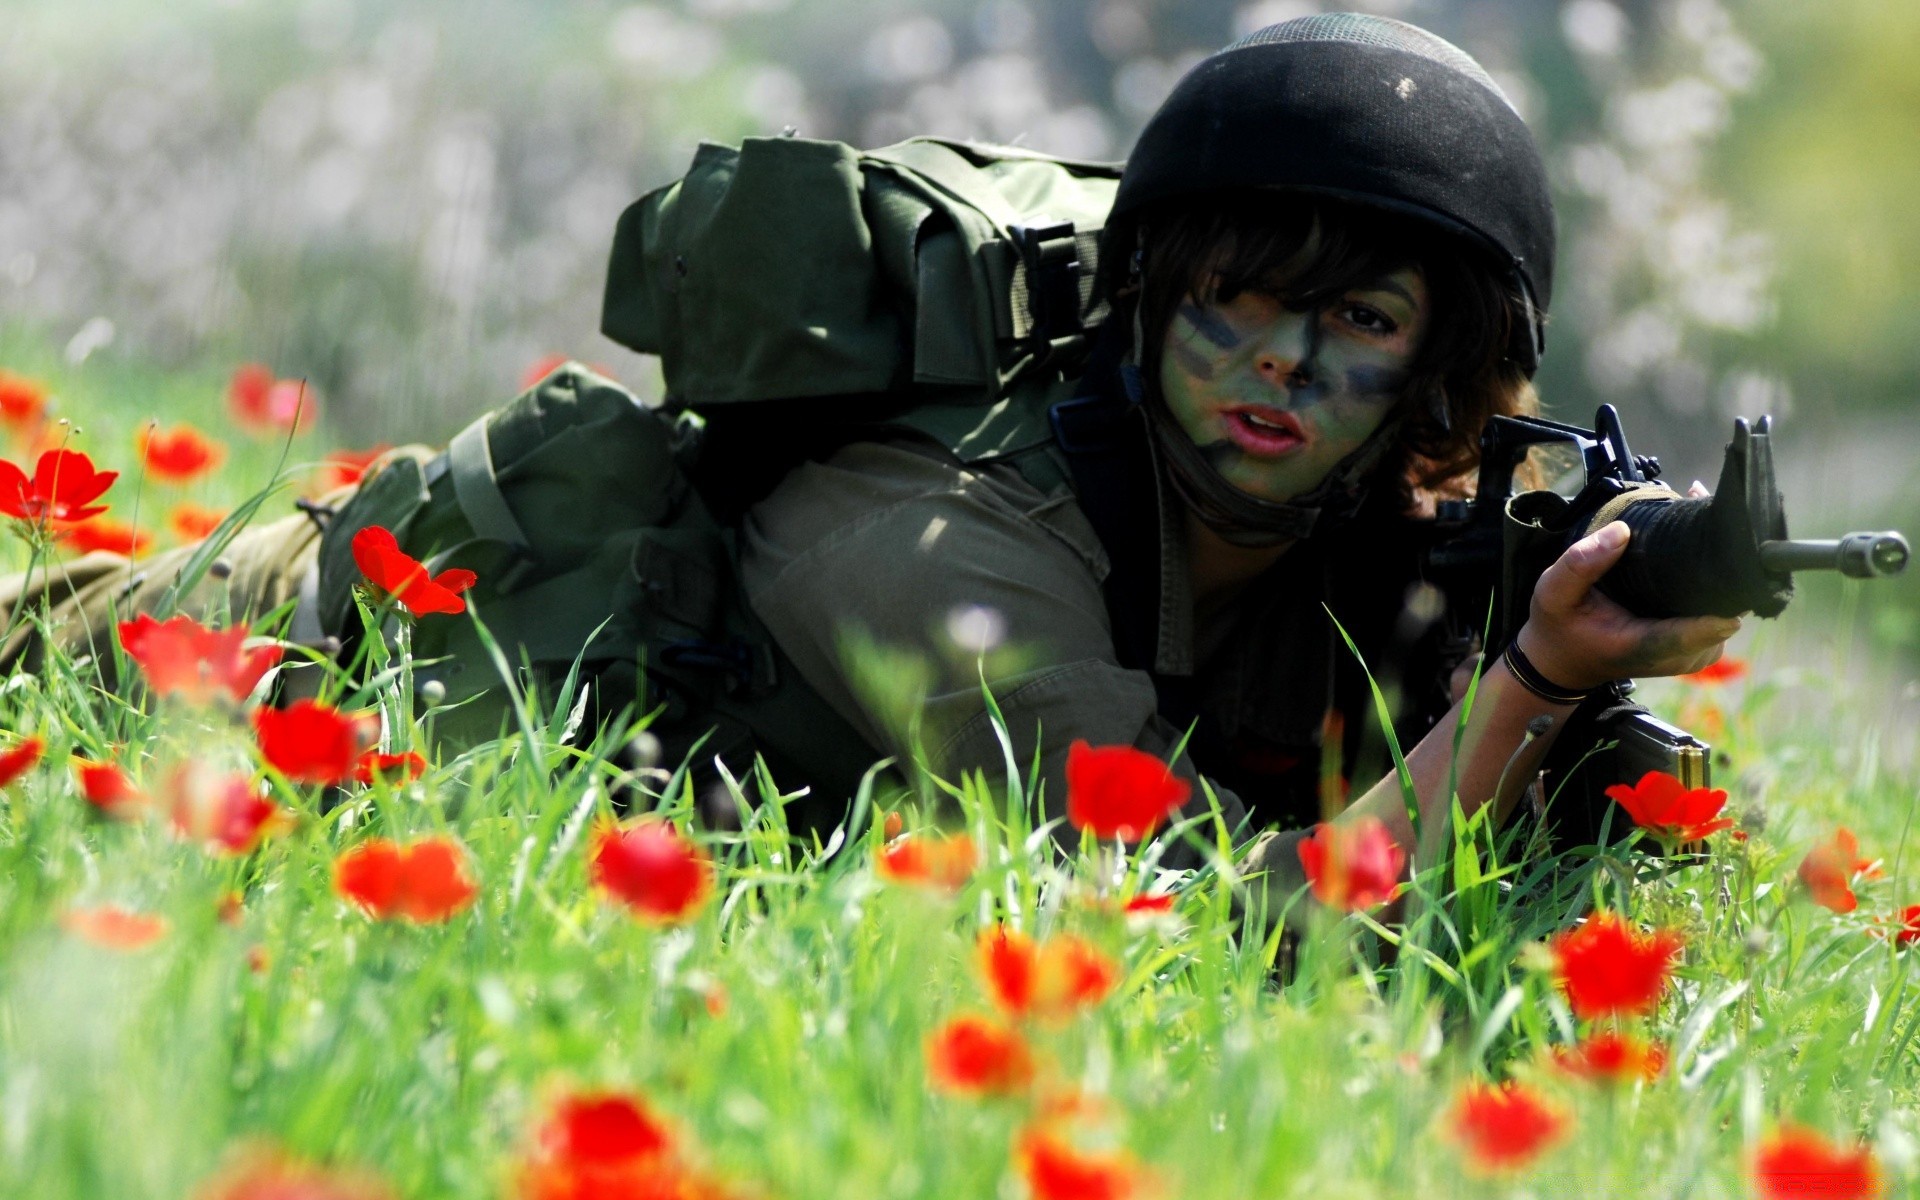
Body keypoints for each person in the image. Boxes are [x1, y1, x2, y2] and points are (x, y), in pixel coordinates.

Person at [2, 14, 1738, 910]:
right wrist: (1527, 685)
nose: (1281, 363)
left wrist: (1575, 699)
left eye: (1357, 319)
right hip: (253, 654)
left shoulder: (1359, 524)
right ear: (1148, 300)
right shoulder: (945, 544)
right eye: (1238, 298)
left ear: (1439, 370)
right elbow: (1228, 933)